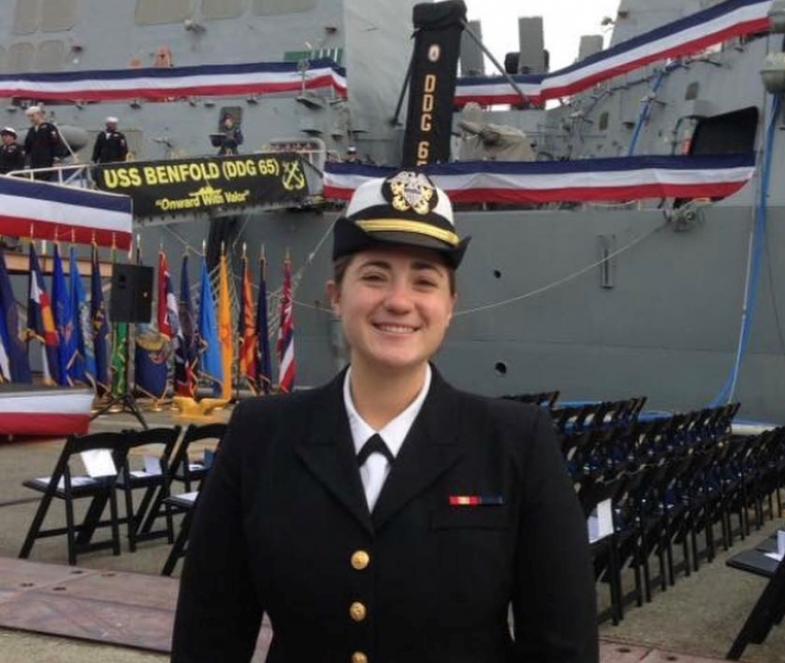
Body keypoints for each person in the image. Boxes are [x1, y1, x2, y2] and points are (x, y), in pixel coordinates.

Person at [172, 170, 598, 662]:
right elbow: (211, 630)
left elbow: (562, 645)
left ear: (450, 304)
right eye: (374, 275)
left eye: (425, 280)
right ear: (336, 295)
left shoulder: (516, 443)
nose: (399, 301)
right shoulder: (260, 436)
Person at [23, 106, 67, 180]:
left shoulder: (49, 128)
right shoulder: (31, 130)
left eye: (32, 116)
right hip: (35, 163)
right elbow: (27, 147)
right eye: (29, 117)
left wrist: (57, 160)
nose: (31, 119)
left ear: (39, 114)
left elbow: (56, 143)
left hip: (47, 162)